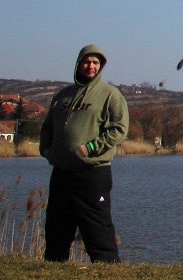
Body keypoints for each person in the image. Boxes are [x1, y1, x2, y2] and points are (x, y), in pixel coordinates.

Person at [40, 44, 129, 262]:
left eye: (96, 63)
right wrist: (50, 152)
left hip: (92, 173)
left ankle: (107, 269)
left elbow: (119, 129)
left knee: (97, 226)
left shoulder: (110, 95)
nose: (91, 66)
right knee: (57, 226)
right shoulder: (63, 96)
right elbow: (47, 128)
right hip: (61, 172)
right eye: (87, 62)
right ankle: (53, 268)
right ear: (79, 64)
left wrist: (90, 148)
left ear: (101, 67)